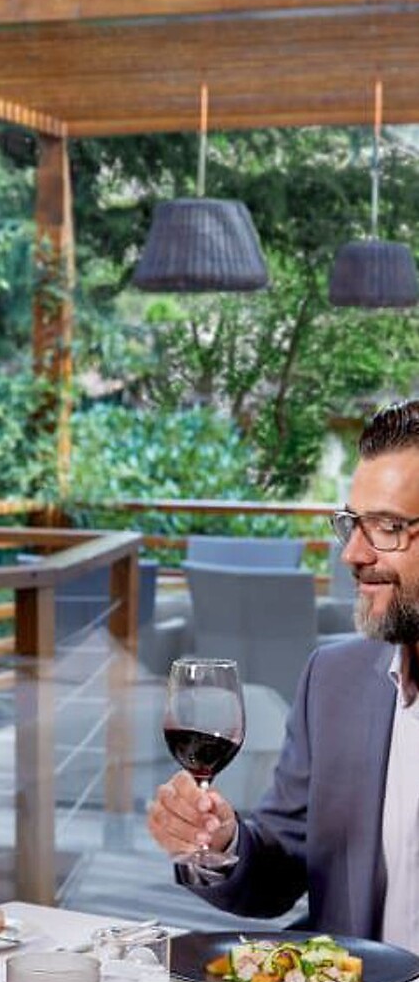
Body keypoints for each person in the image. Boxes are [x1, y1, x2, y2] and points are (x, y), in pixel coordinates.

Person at [147, 399, 419, 953]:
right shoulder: (335, 681)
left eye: (387, 528)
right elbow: (285, 863)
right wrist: (220, 842)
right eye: (352, 524)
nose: (352, 554)